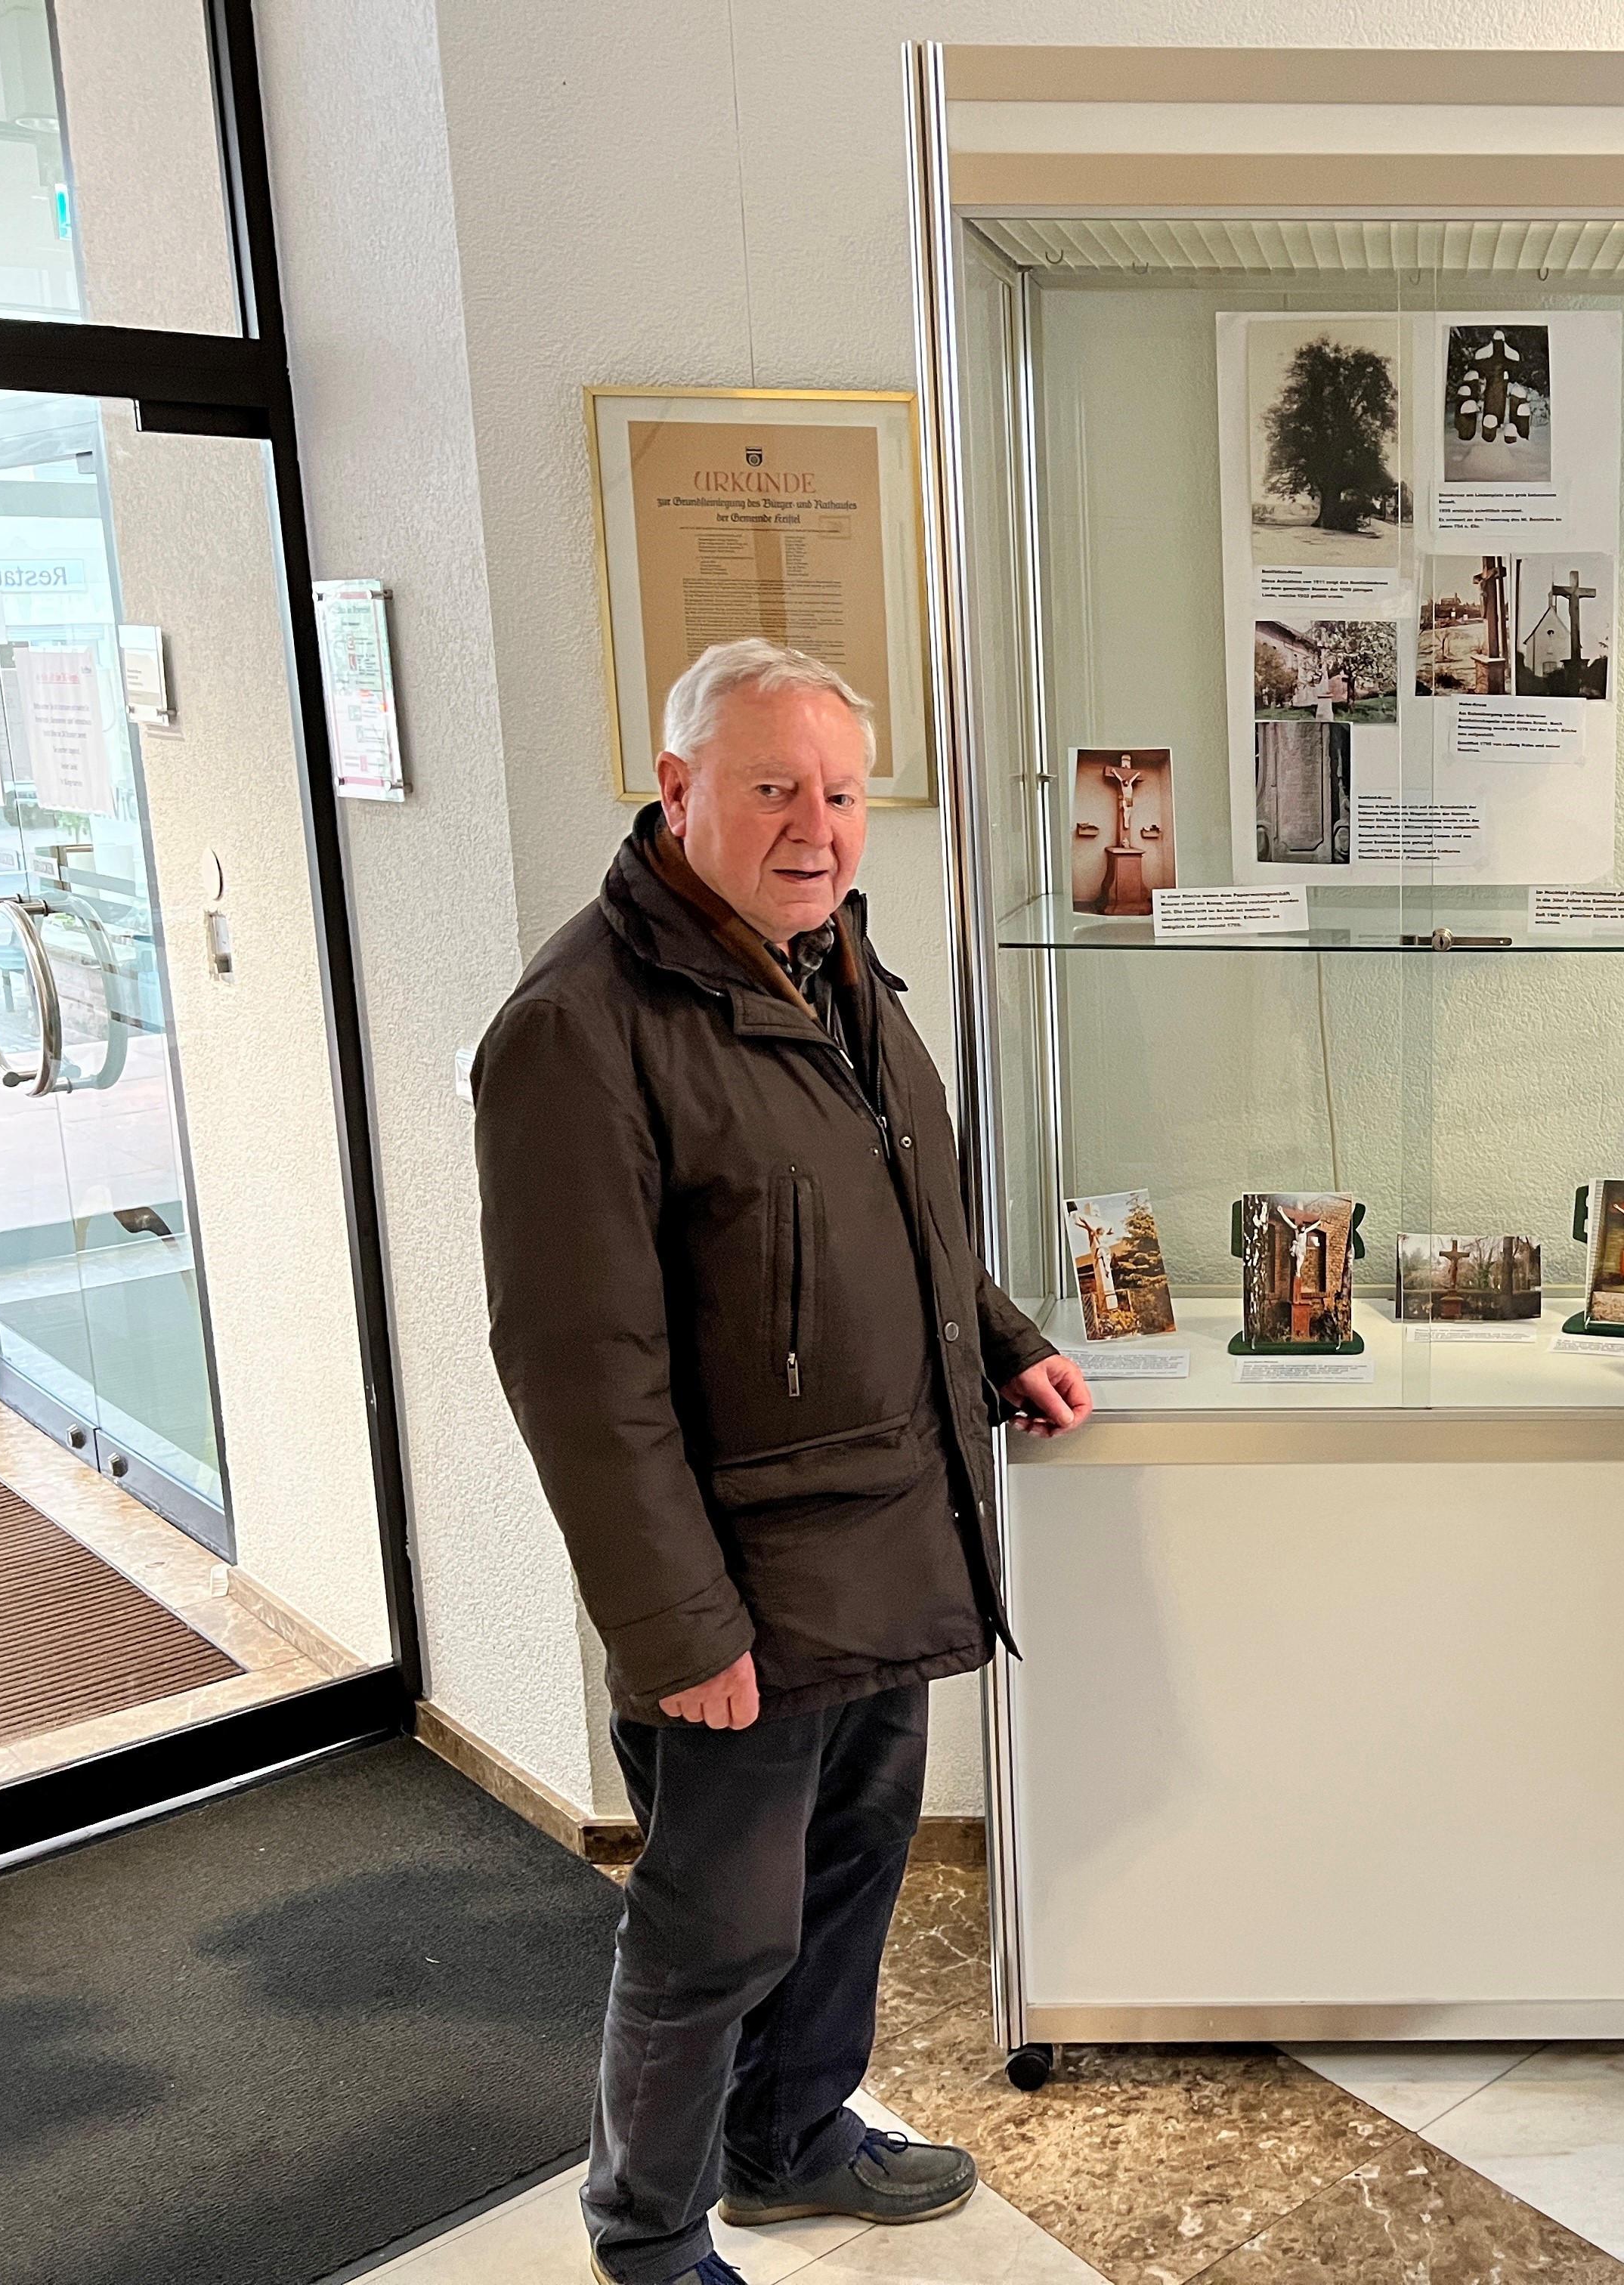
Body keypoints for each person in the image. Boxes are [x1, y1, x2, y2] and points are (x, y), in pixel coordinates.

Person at [474, 637, 1093, 2285]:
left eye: (838, 790)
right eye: (774, 789)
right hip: (740, 1593)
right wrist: (683, 1634)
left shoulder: (829, 959)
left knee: (848, 1872)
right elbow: (577, 1371)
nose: (818, 825)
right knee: (712, 1931)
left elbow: (905, 1209)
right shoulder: (580, 1027)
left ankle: (793, 2143)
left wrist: (1006, 1336)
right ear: (676, 792)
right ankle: (649, 2233)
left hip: (891, 1537)